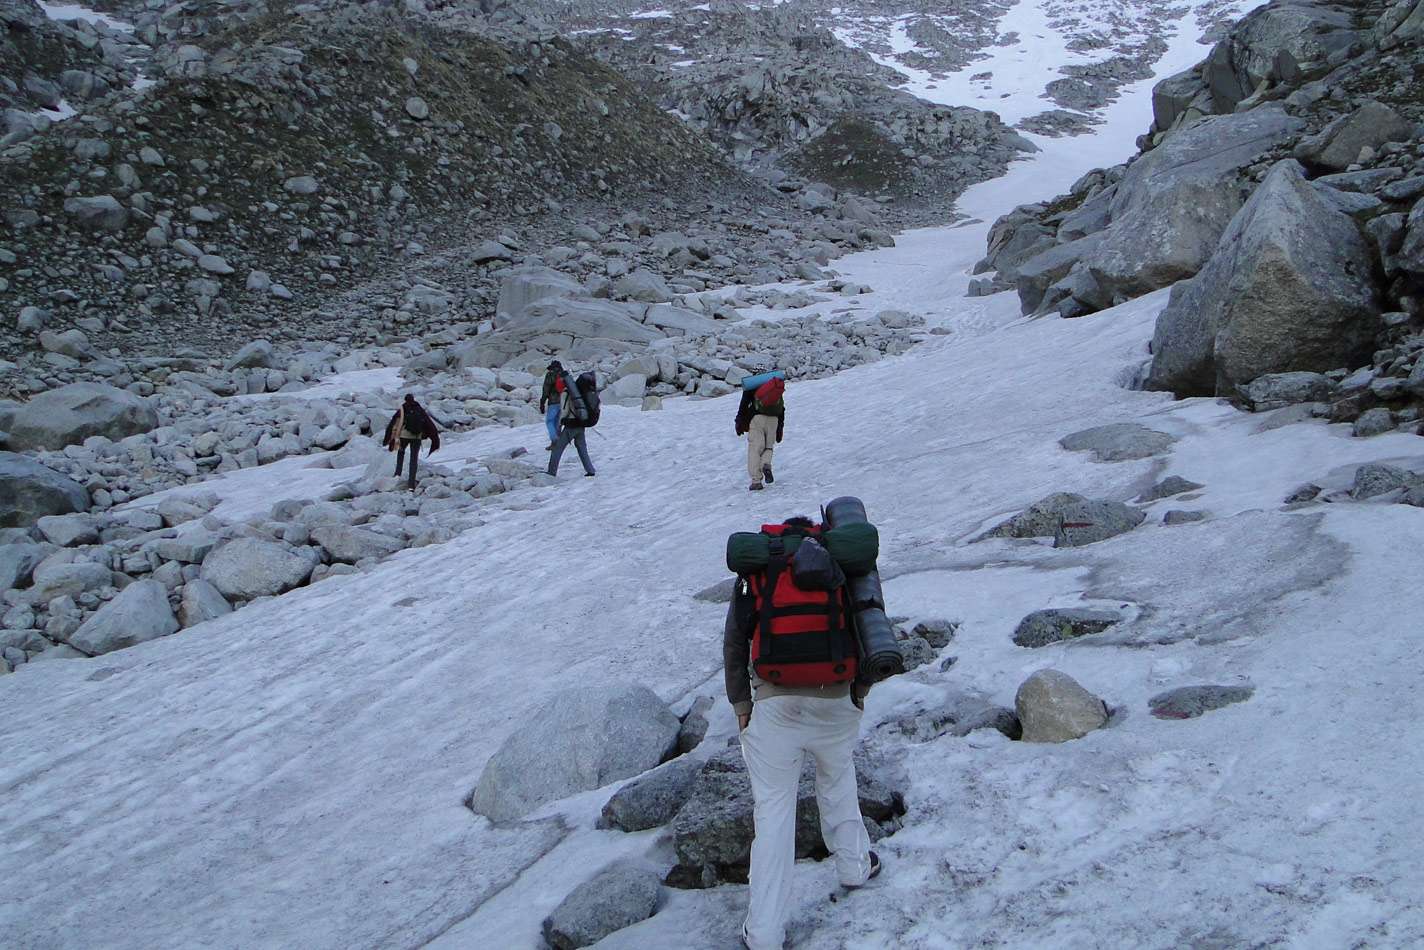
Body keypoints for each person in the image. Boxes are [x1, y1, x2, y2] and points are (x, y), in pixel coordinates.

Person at [723, 533, 880, 950]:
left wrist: (741, 702)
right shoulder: (840, 561)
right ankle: (854, 867)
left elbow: (735, 640)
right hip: (836, 701)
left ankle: (763, 933)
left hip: (775, 706)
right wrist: (859, 692)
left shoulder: (760, 570)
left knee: (773, 812)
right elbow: (871, 628)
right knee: (838, 780)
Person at [382, 393, 440, 490]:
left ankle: (397, 476)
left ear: (405, 400)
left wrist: (387, 440)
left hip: (404, 437)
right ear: (413, 399)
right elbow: (429, 423)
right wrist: (435, 439)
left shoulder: (403, 408)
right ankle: (411, 485)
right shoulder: (419, 409)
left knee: (401, 453)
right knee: (414, 459)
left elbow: (393, 423)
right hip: (416, 437)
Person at [735, 382, 784, 492]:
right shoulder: (774, 384)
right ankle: (766, 464)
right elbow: (782, 407)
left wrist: (739, 421)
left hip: (757, 419)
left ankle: (756, 481)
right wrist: (780, 428)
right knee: (768, 447)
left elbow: (744, 404)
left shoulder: (752, 384)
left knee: (755, 449)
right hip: (774, 419)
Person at [547, 369, 596, 478]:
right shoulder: (577, 391)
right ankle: (590, 470)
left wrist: (559, 425)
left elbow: (564, 411)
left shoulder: (566, 393)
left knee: (557, 448)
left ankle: (551, 472)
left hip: (571, 425)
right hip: (581, 423)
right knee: (582, 447)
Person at [540, 360, 565, 451]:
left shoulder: (550, 375)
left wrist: (542, 402)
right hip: (563, 401)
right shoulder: (563, 375)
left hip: (553, 402)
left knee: (549, 421)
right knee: (558, 422)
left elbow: (546, 390)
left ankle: (555, 440)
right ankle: (558, 442)